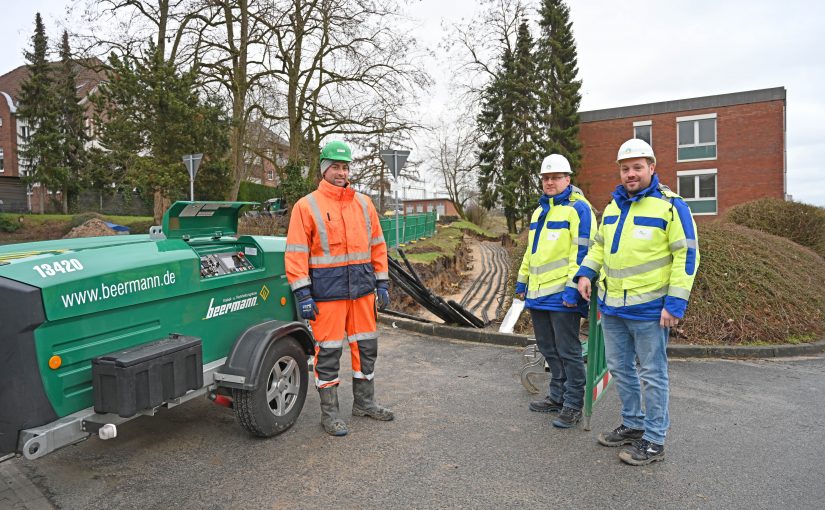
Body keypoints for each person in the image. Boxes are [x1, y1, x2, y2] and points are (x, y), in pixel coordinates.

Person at [575, 138, 699, 465]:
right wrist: (586, 273)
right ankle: (632, 423)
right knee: (619, 368)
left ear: (652, 168)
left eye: (637, 167)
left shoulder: (671, 206)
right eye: (626, 168)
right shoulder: (614, 206)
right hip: (613, 308)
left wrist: (675, 303)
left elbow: (687, 255)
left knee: (653, 375)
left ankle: (655, 440)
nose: (631, 174)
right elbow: (599, 247)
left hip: (650, 310)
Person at [285, 140, 394, 437]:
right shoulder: (306, 206)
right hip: (327, 294)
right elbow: (296, 253)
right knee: (329, 353)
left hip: (361, 292)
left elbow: (378, 245)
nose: (341, 172)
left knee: (367, 348)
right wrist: (302, 294)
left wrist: (382, 281)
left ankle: (364, 403)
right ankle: (329, 413)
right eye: (335, 166)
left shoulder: (364, 203)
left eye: (345, 167)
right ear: (324, 169)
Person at [516, 154, 595, 429]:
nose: (549, 182)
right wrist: (522, 281)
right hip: (539, 296)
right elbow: (532, 251)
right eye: (546, 178)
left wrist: (573, 289)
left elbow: (583, 252)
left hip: (564, 296)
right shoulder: (540, 211)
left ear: (567, 179)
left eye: (555, 177)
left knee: (568, 350)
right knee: (549, 349)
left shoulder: (579, 209)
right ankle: (557, 396)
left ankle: (573, 404)